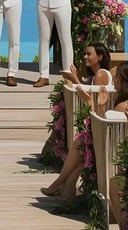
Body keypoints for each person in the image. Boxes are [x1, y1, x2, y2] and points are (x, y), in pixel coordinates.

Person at [40, 44, 123, 200]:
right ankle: (60, 185)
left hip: (99, 122)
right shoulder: (96, 75)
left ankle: (58, 183)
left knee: (79, 144)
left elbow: (95, 99)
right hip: (97, 121)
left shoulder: (100, 75)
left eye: (89, 54)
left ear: (99, 57)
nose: (85, 57)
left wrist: (75, 80)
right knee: (78, 151)